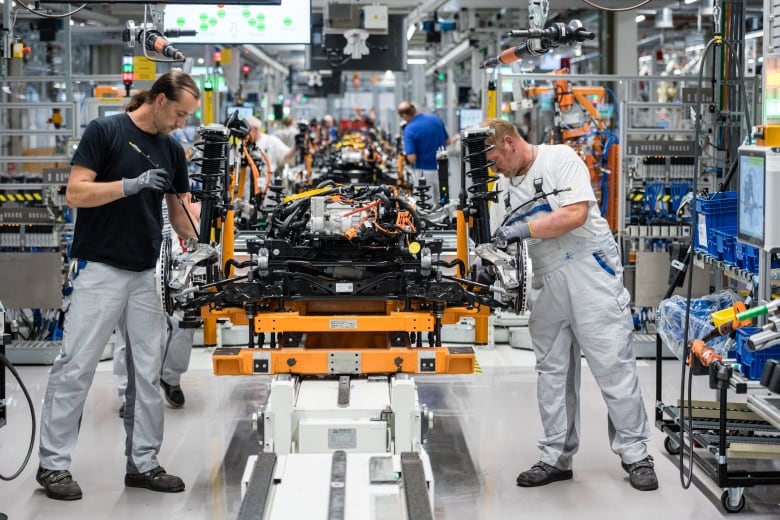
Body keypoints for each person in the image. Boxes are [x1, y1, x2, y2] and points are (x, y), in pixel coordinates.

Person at [36, 70, 200, 501]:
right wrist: (130, 186)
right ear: (160, 100)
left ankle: (143, 463)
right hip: (100, 270)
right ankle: (53, 467)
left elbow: (179, 213)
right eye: (180, 113)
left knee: (146, 373)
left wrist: (201, 245)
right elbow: (75, 193)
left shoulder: (172, 148)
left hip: (145, 272)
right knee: (76, 367)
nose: (182, 122)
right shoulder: (105, 131)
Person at [483, 118, 658, 492]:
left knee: (612, 363)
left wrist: (525, 229)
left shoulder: (559, 158)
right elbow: (501, 240)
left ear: (510, 143)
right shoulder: (500, 186)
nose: (492, 167)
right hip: (548, 280)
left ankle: (636, 454)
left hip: (589, 269)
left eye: (494, 158)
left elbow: (575, 213)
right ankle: (555, 457)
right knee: (552, 372)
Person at [397, 101, 449, 207]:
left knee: (426, 207)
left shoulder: (410, 129)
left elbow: (412, 158)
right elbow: (447, 141)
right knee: (444, 204)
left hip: (423, 172)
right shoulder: (435, 119)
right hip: (442, 170)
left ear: (405, 115)